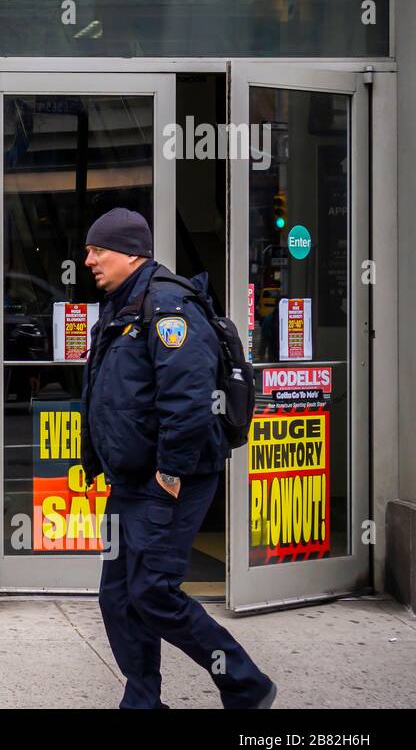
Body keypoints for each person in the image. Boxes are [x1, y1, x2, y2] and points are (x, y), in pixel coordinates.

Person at [80, 208, 276, 709]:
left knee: (154, 591)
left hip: (170, 479)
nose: (89, 261)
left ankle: (245, 684)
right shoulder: (124, 304)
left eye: (97, 250)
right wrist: (97, 459)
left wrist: (170, 471)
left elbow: (188, 400)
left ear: (130, 252)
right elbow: (111, 392)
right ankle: (143, 701)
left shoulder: (169, 307)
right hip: (131, 480)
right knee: (118, 596)